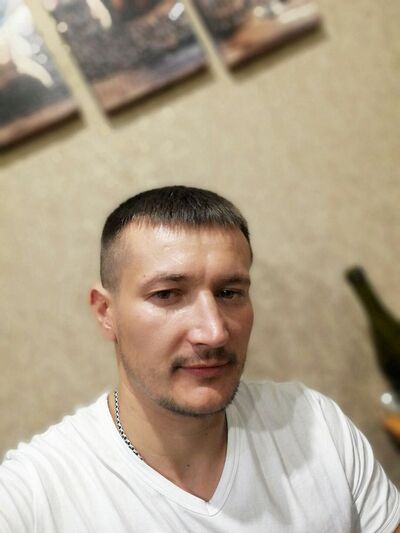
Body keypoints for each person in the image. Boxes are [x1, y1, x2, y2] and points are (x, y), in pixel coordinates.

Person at [0, 185, 399, 532]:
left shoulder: (315, 424)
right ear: (107, 313)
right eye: (167, 295)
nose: (214, 332)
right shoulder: (33, 496)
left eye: (229, 293)